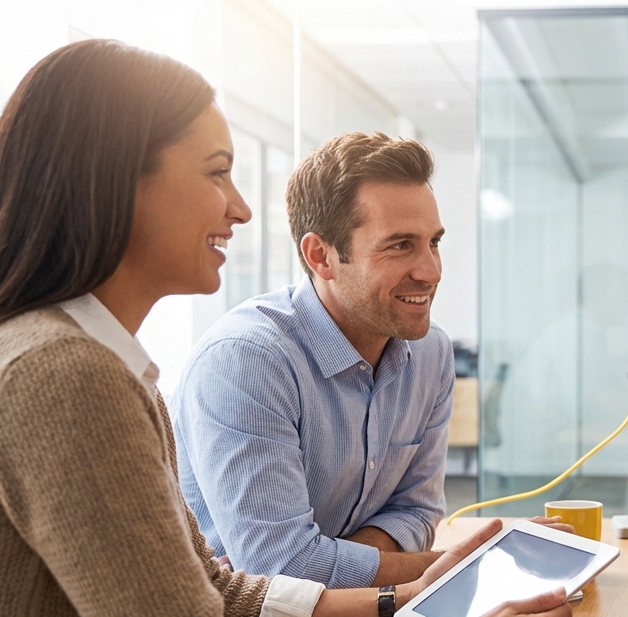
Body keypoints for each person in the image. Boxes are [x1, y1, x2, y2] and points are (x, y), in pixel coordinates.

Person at [0, 40, 572, 617]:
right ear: (118, 183)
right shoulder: (59, 375)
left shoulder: (96, 364)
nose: (241, 208)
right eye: (217, 174)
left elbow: (212, 586)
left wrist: (400, 605)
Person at [172, 133, 454, 589]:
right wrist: (468, 563)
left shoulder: (430, 351)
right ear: (320, 256)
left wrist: (332, 564)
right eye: (400, 245)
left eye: (433, 243)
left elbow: (416, 512)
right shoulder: (248, 362)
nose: (431, 271)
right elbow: (281, 571)